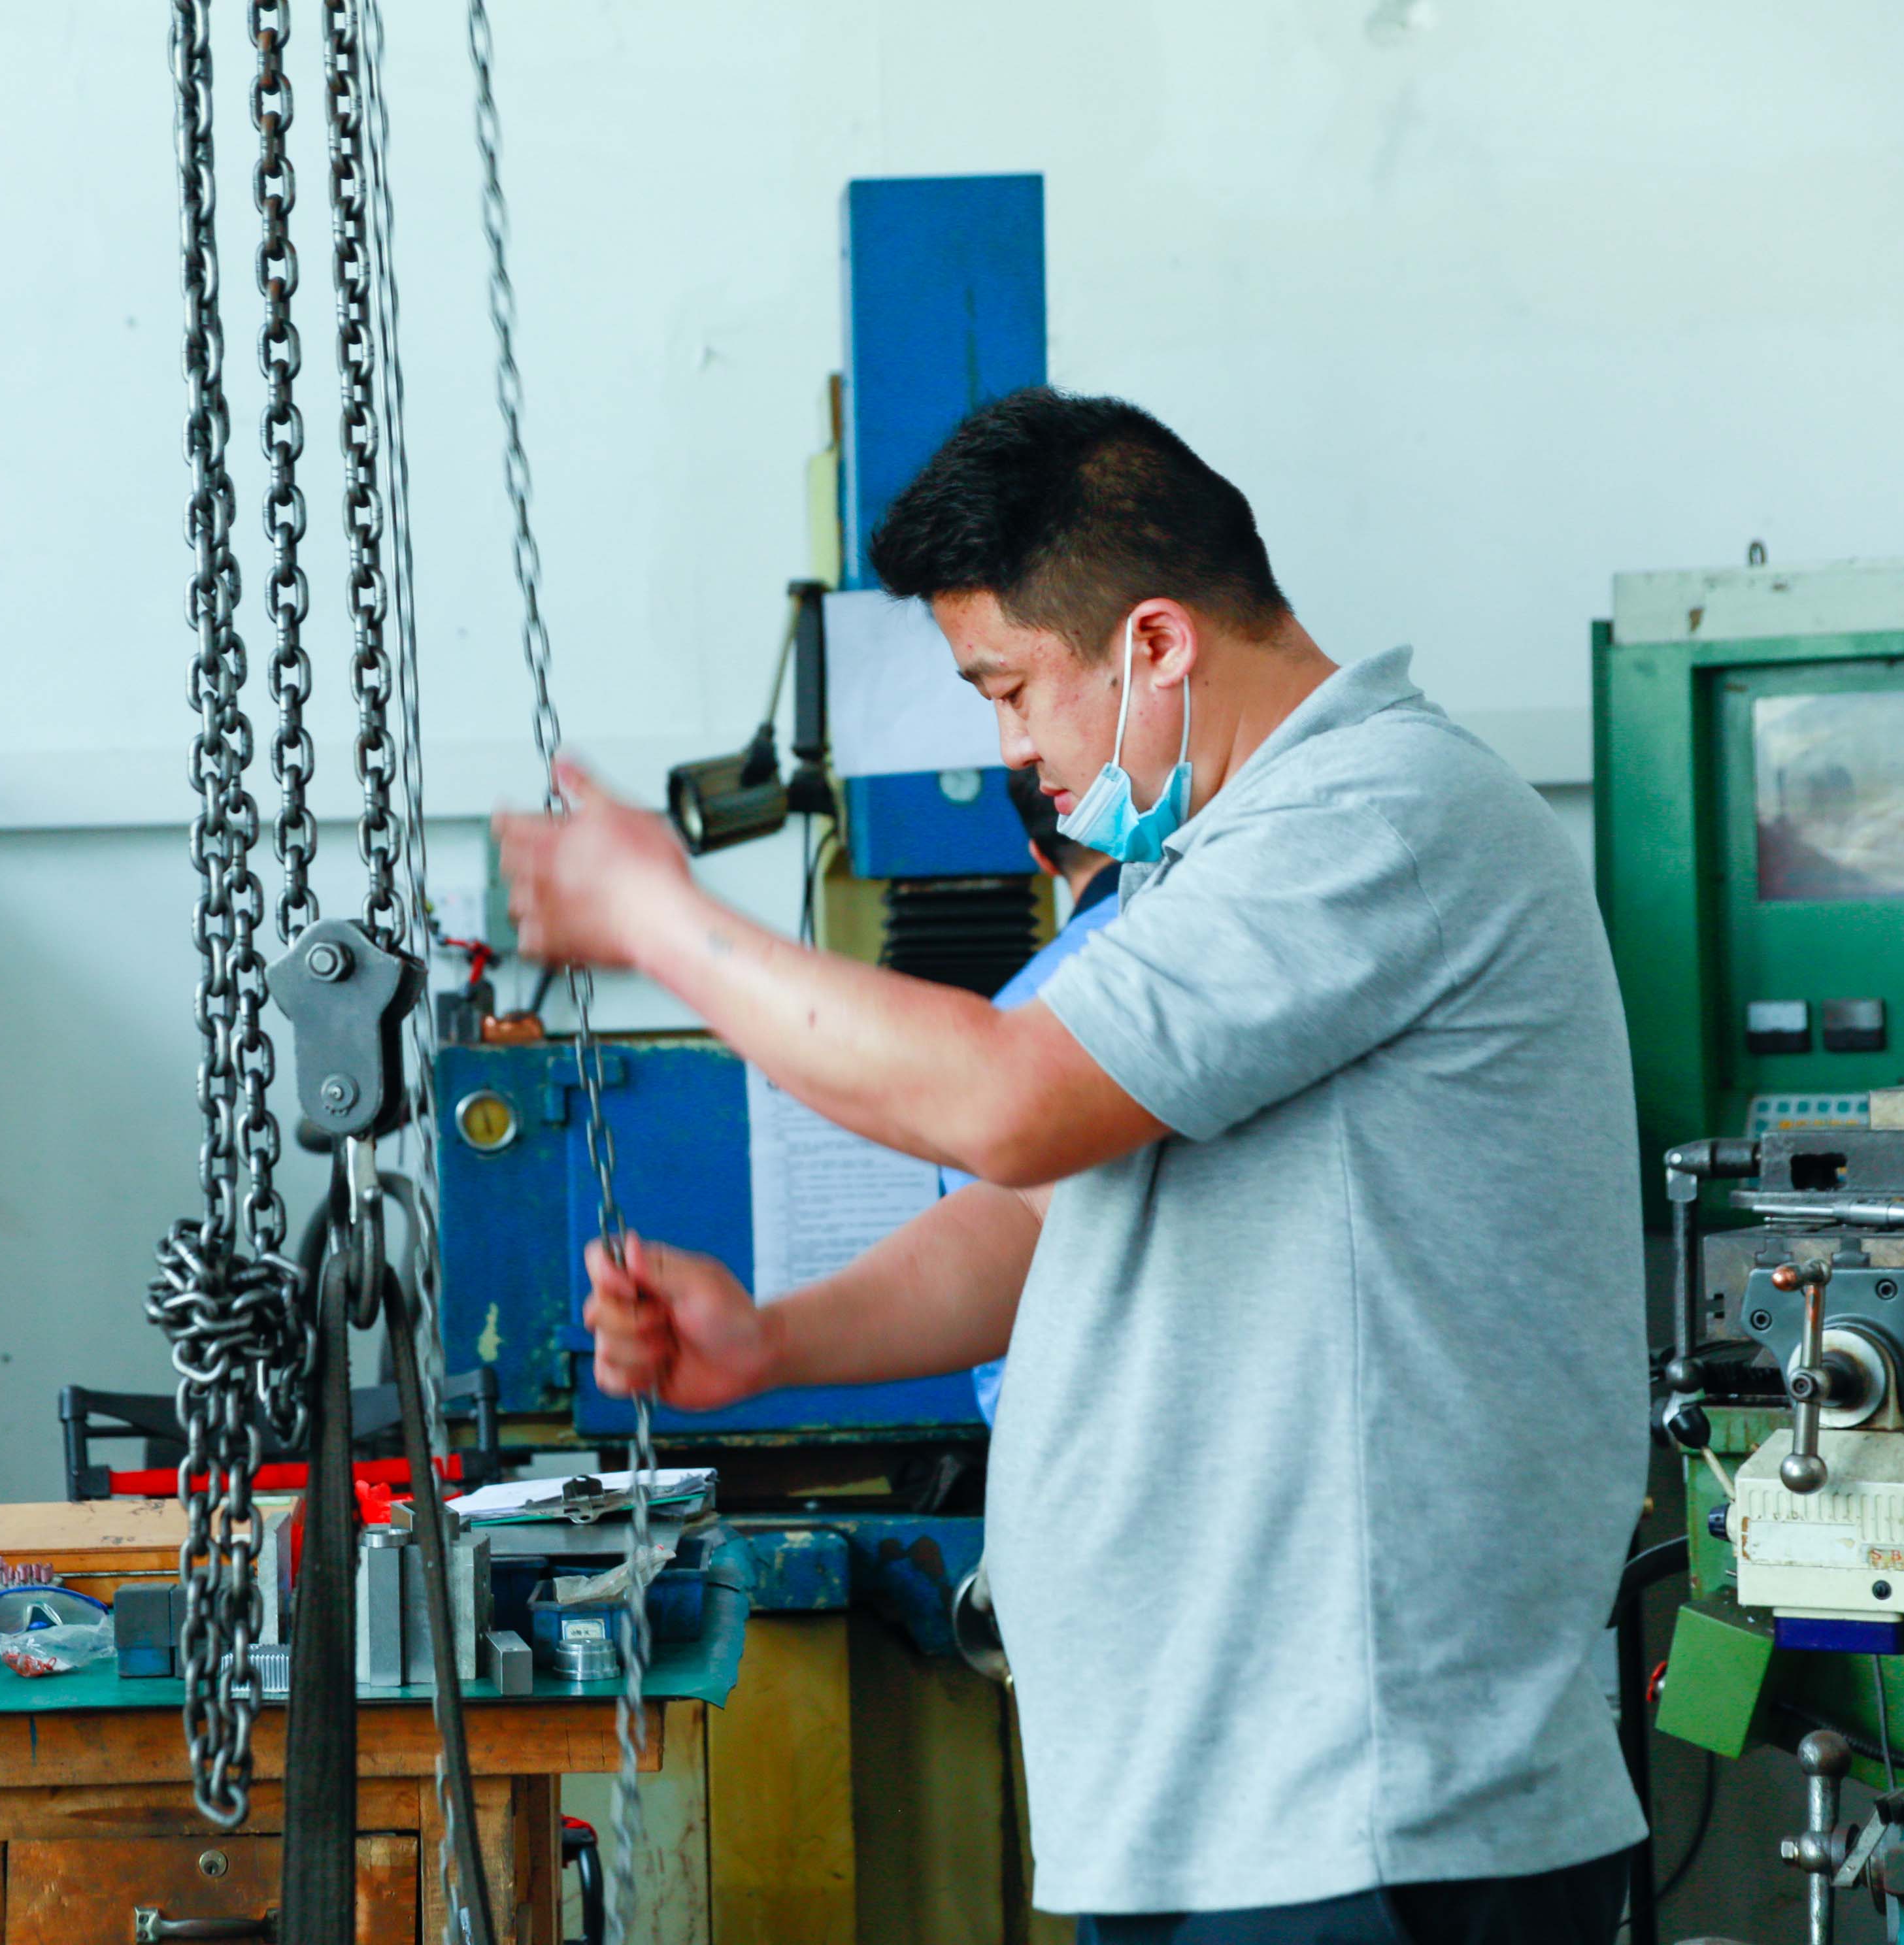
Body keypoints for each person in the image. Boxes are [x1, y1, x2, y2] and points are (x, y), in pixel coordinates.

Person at [493, 387, 1648, 1944]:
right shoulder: (1210, 870)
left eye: (1011, 687)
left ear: (1154, 644)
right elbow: (1042, 1216)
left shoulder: (1378, 813)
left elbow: (1006, 1102)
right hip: (1216, 1813)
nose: (1011, 745)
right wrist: (775, 1342)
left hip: (1370, 1822)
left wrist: (657, 921)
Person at [946, 764, 1118, 1425]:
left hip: (1060, 1409)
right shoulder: (1221, 938)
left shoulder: (1010, 1015)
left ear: (1041, 857)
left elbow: (986, 1268)